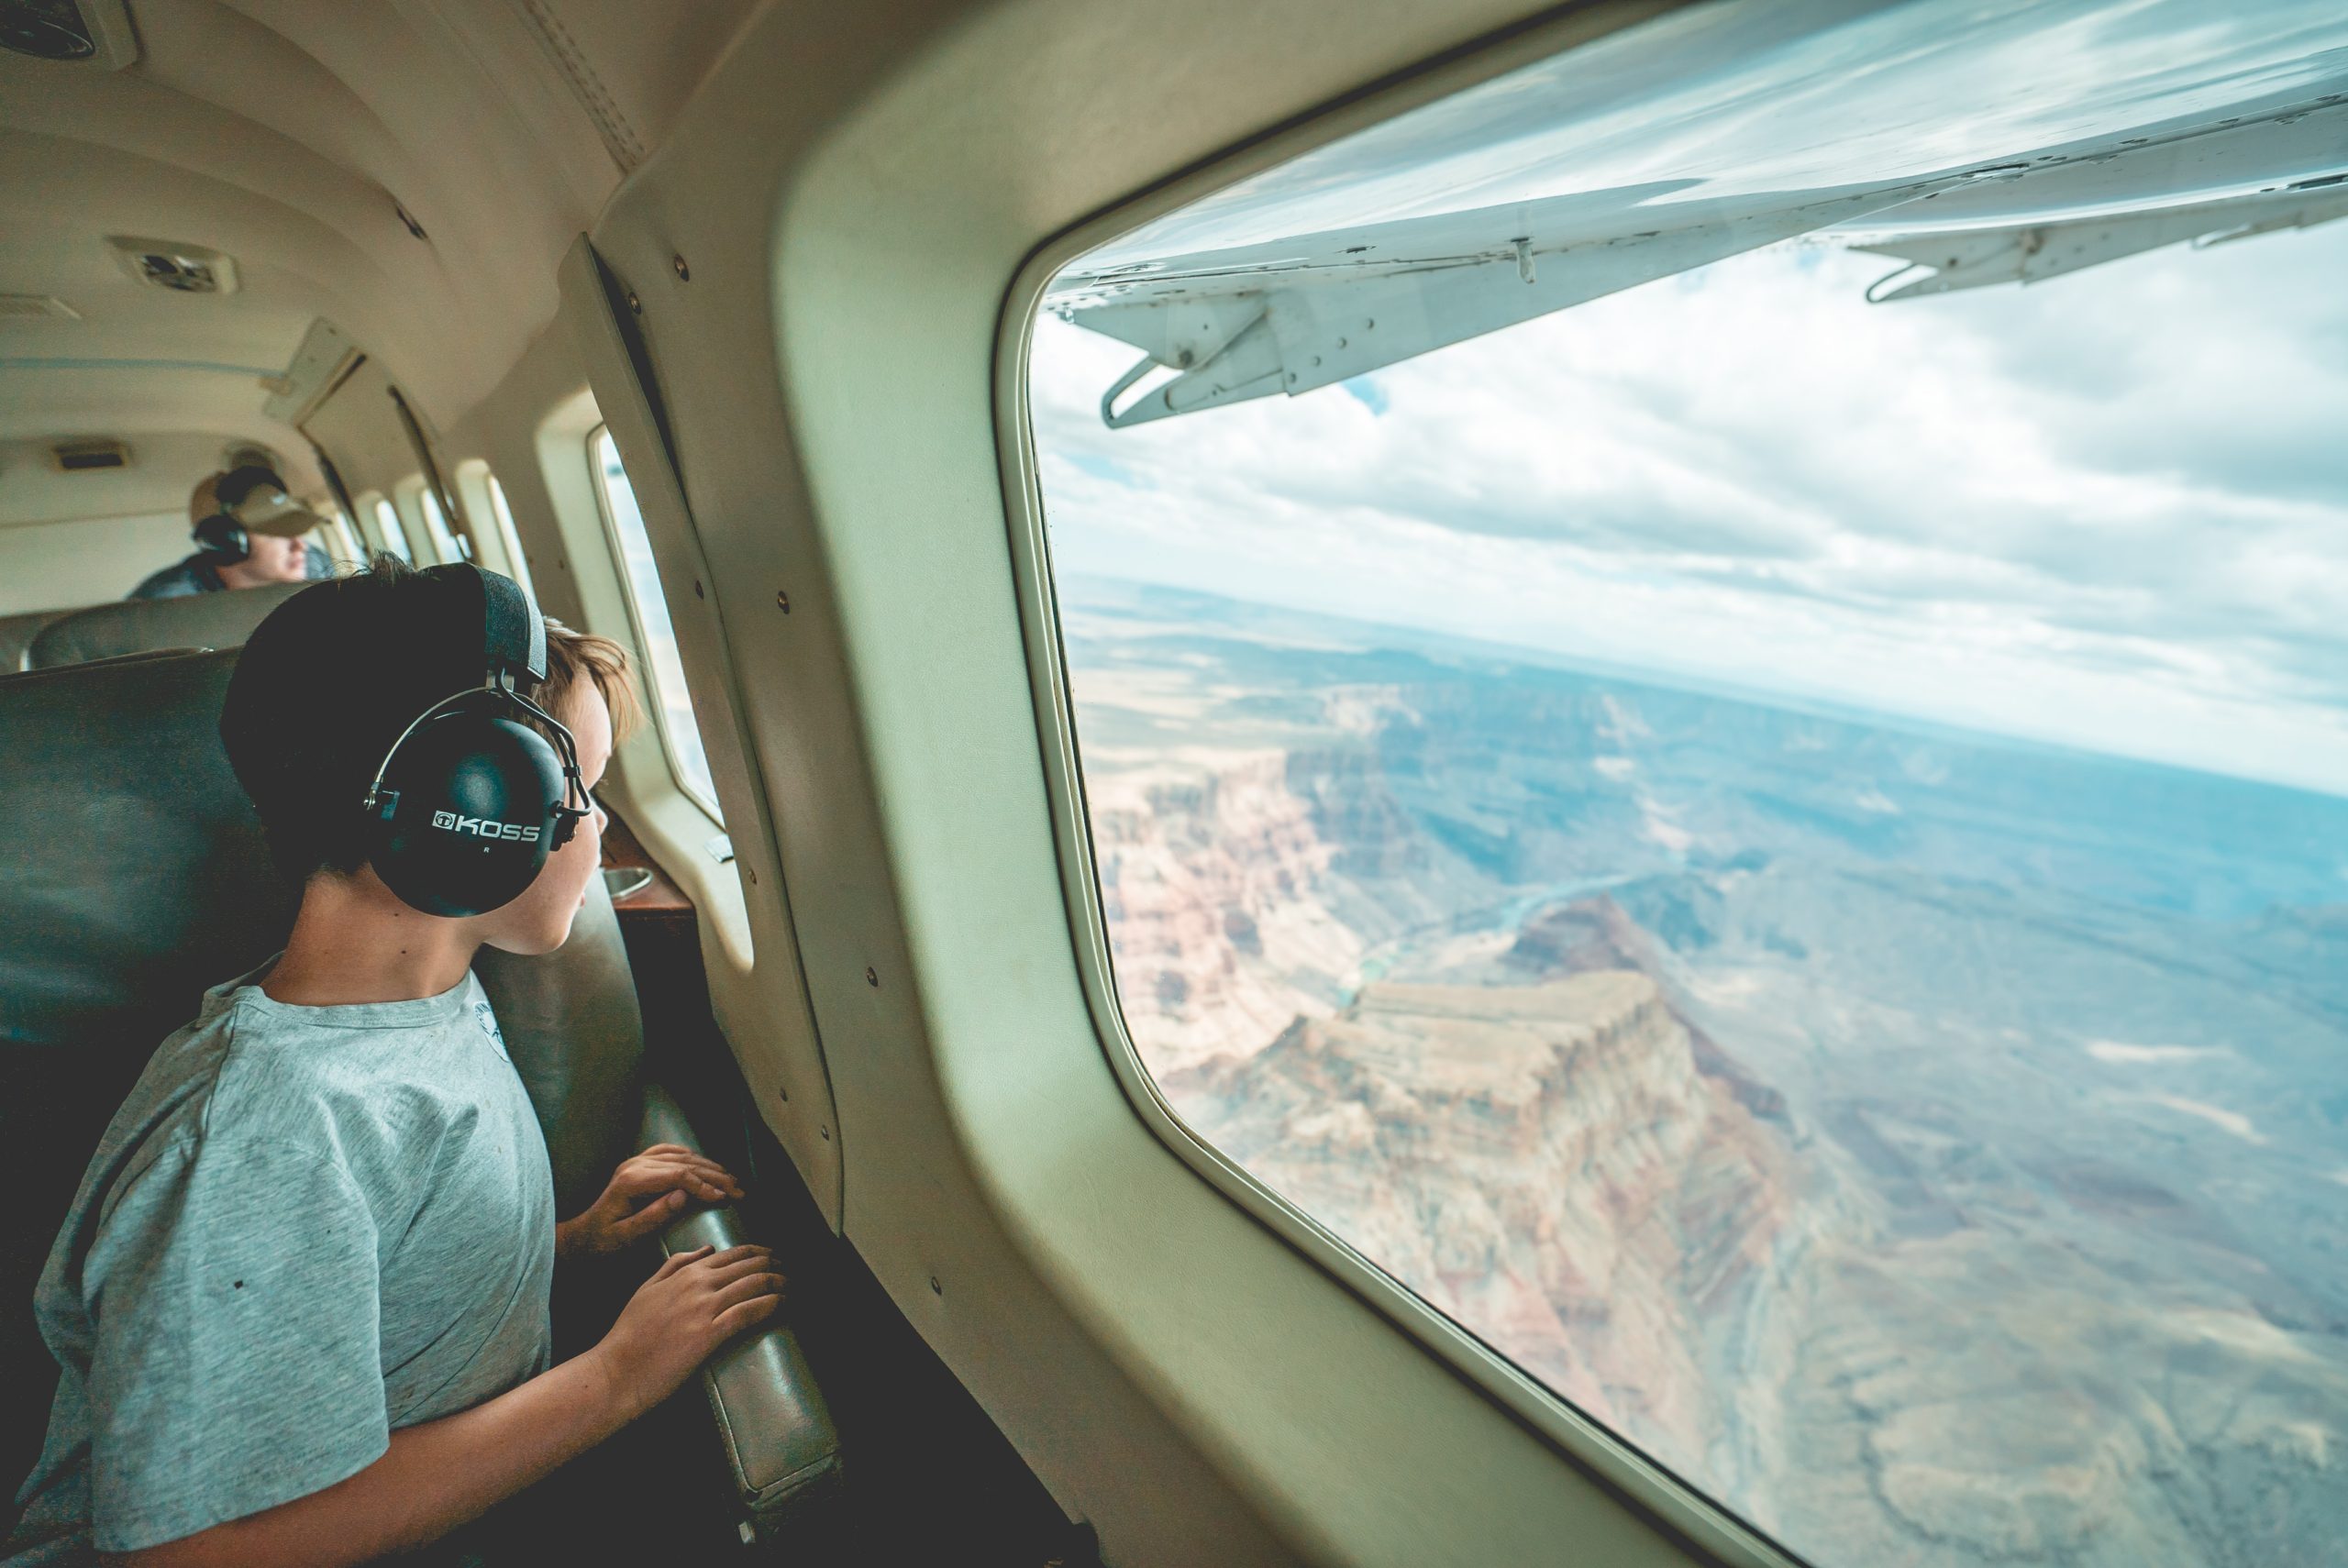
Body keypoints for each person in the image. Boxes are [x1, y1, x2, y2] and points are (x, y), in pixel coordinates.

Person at [6, 558, 782, 1567]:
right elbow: (194, 1549)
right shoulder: (268, 1131)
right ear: (473, 798)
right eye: (576, 789)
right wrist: (616, 1378)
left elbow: (360, 1283)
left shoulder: (427, 1005)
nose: (594, 829)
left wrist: (564, 1244)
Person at [127, 466, 336, 600]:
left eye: (294, 529)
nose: (301, 546)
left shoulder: (317, 565)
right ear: (224, 542)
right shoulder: (161, 605)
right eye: (275, 533)